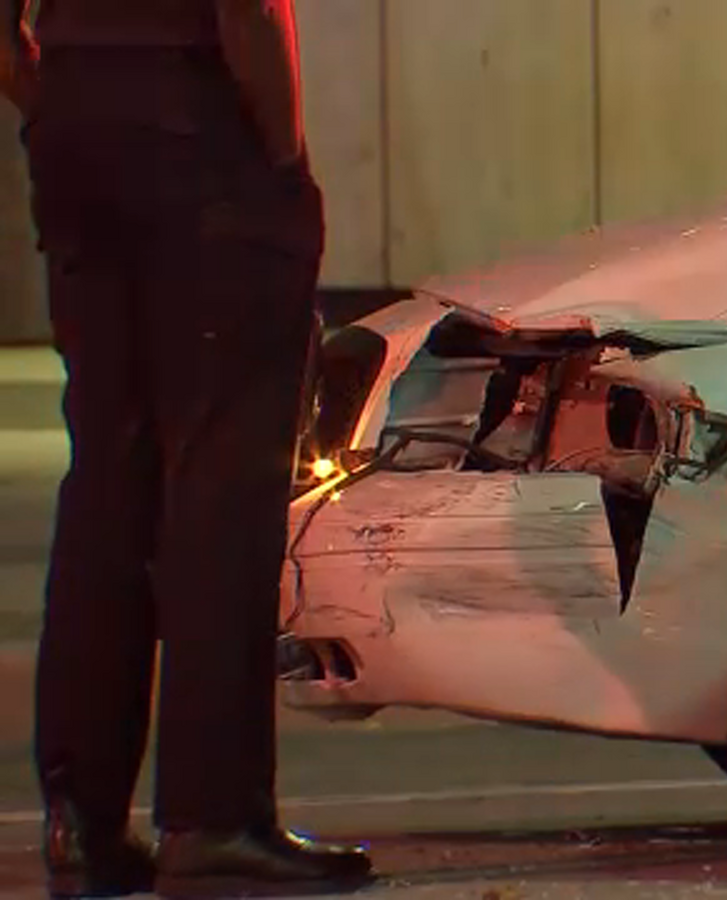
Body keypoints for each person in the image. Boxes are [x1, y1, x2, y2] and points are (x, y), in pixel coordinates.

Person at [0, 1, 373, 896]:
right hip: (199, 134)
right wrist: (283, 170)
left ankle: (80, 828)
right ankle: (213, 820)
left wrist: (54, 106)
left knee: (106, 485)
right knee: (221, 489)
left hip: (77, 132)